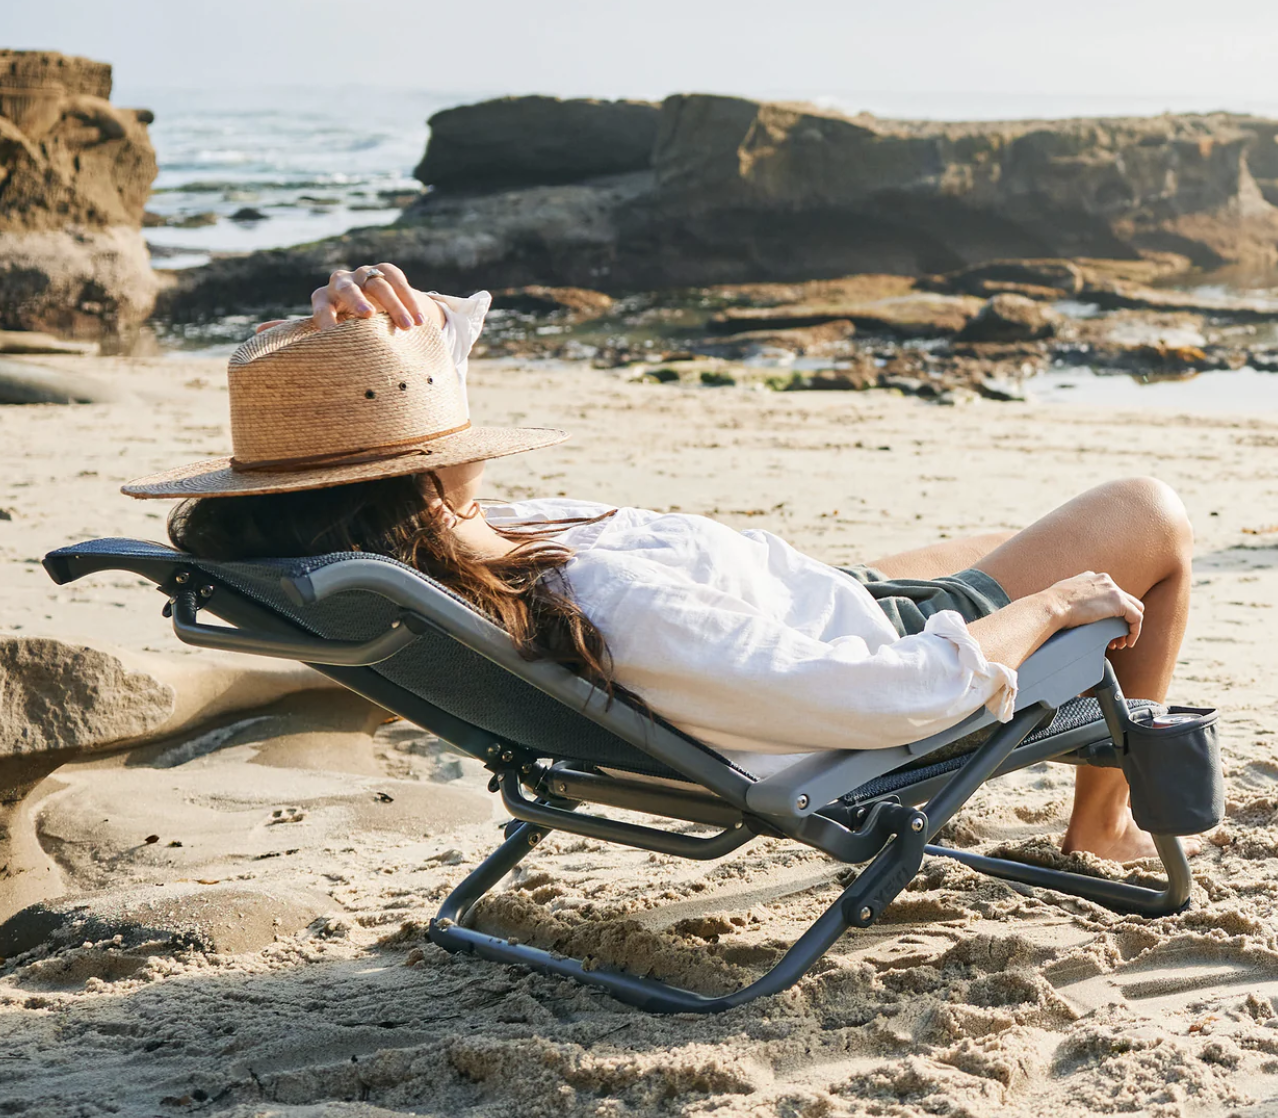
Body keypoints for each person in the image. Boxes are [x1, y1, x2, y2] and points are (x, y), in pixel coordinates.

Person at [124, 263, 1195, 863]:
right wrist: (1055, 601)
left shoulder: (444, 556)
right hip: (881, 647)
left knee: (979, 541)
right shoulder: (611, 602)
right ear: (426, 475)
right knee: (1150, 520)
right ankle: (1100, 825)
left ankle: (1090, 769)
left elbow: (409, 417)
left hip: (826, 603)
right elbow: (908, 694)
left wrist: (362, 352)